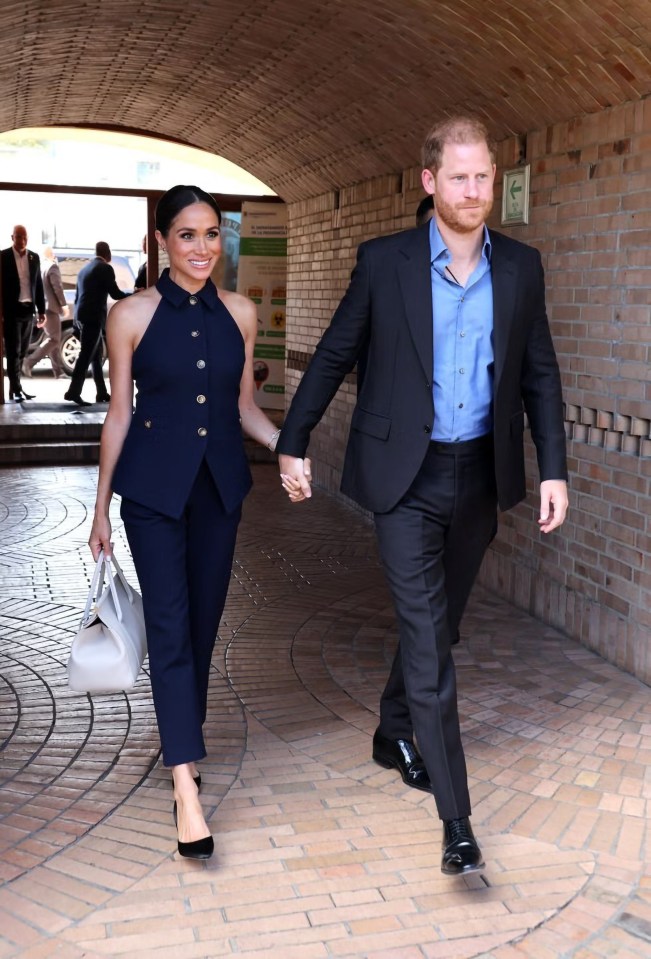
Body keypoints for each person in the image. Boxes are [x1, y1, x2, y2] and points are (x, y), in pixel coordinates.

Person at [277, 116, 568, 876]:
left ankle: (391, 727)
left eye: (484, 177)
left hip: (480, 473)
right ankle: (456, 819)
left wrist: (553, 468)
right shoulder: (385, 263)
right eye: (459, 177)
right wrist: (291, 438)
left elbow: (539, 372)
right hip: (403, 478)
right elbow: (336, 352)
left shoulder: (522, 267)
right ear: (430, 182)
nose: (474, 191)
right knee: (430, 636)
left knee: (442, 624)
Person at [88, 185, 286, 861]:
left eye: (210, 235)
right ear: (161, 242)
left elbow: (244, 407)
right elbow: (117, 414)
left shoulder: (241, 312)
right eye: (186, 235)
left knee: (202, 625)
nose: (202, 249)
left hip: (218, 491)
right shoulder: (130, 314)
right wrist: (99, 508)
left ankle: (181, 740)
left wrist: (284, 447)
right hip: (151, 494)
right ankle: (185, 788)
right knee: (170, 626)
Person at [64, 241, 130, 406]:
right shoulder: (105, 269)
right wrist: (134, 294)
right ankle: (73, 392)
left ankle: (101, 392)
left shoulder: (84, 270)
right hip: (93, 319)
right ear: (108, 253)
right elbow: (115, 294)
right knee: (86, 355)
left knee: (96, 356)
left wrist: (75, 324)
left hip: (81, 318)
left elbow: (78, 298)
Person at [0, 225, 46, 401]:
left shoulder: (34, 257)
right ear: (12, 237)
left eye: (25, 237)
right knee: (13, 350)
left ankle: (15, 386)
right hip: (11, 310)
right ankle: (16, 389)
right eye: (19, 237)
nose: (22, 240)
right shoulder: (3, 256)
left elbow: (38, 284)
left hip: (28, 310)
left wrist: (41, 310)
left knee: (23, 351)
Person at [23, 247, 68, 378]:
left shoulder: (41, 267)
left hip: (43, 308)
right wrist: (63, 304)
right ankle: (28, 362)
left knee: (53, 339)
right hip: (51, 308)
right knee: (54, 339)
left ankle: (58, 371)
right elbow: (57, 287)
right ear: (52, 254)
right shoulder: (52, 267)